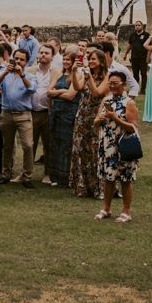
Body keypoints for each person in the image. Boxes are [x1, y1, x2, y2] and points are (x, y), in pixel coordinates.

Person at [93, 71, 139, 223]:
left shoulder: (129, 103)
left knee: (125, 178)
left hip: (123, 145)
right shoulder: (106, 100)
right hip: (107, 144)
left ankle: (126, 211)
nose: (112, 86)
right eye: (110, 83)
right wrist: (99, 119)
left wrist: (115, 118)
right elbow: (95, 122)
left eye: (115, 84)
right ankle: (106, 208)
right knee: (108, 177)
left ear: (124, 85)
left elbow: (132, 127)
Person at [70, 51, 108, 199]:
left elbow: (97, 93)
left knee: (95, 151)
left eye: (93, 59)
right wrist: (74, 71)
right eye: (89, 59)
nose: (90, 62)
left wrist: (89, 76)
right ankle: (82, 186)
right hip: (82, 115)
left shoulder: (107, 77)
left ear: (101, 61)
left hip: (96, 116)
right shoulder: (87, 74)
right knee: (81, 150)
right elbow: (78, 87)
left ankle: (98, 187)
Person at [0, 48, 37, 188]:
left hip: (23, 115)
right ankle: (6, 174)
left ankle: (27, 176)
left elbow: (32, 89)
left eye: (21, 59)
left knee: (27, 145)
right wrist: (5, 72)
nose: (18, 61)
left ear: (26, 62)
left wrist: (22, 75)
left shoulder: (30, 76)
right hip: (6, 113)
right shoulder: (6, 74)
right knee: (7, 146)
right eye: (16, 58)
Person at [47, 48, 82, 188]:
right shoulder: (59, 74)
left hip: (69, 113)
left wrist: (57, 92)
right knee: (55, 144)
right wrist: (62, 91)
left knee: (67, 146)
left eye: (68, 60)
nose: (66, 62)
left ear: (73, 61)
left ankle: (67, 177)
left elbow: (71, 95)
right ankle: (55, 176)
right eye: (64, 59)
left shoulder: (77, 76)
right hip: (57, 112)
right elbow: (48, 92)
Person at [27, 44, 56, 185]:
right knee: (29, 144)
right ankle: (26, 173)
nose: (43, 55)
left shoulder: (57, 72)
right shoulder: (30, 71)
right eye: (41, 52)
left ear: (52, 56)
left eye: (47, 53)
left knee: (48, 145)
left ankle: (48, 173)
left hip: (48, 113)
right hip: (31, 112)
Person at [123, 21, 150, 91]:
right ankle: (135, 88)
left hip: (143, 58)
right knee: (135, 74)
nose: (137, 26)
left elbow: (149, 47)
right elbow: (130, 44)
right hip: (134, 57)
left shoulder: (146, 35)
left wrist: (148, 57)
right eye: (136, 25)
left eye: (139, 25)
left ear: (142, 26)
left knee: (143, 73)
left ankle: (143, 89)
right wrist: (125, 54)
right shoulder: (133, 35)